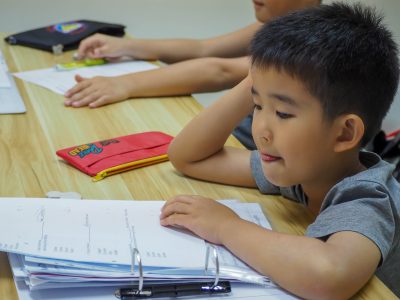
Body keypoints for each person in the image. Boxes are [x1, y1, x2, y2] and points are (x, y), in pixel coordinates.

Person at [160, 3, 400, 299]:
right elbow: (188, 157)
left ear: (344, 133)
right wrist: (259, 79)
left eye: (283, 113)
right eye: (258, 107)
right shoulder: (305, 169)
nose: (261, 128)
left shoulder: (367, 198)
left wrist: (226, 227)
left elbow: (328, 276)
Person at [64, 1, 321, 150]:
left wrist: (124, 84)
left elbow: (220, 70)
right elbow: (204, 48)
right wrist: (129, 46)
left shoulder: (314, 44)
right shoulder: (277, 24)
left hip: (255, 150)